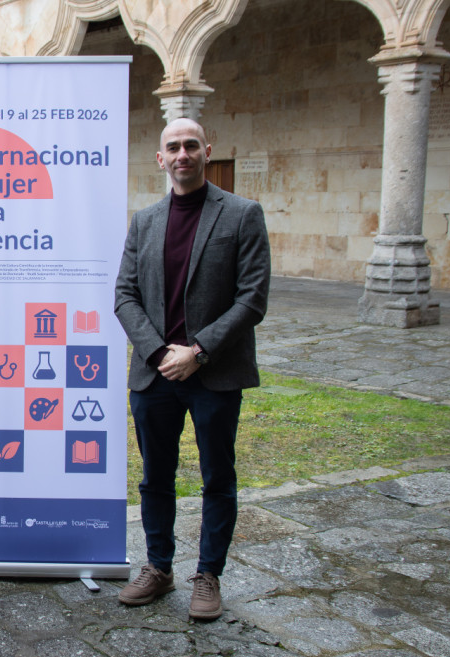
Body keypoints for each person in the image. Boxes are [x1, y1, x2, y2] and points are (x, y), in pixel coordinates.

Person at [113, 118, 271, 621]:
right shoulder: (145, 220)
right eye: (172, 147)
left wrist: (197, 352)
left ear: (207, 150)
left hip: (214, 374)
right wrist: (160, 353)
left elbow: (253, 298)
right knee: (155, 477)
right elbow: (125, 295)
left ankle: (208, 575)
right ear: (160, 159)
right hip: (155, 373)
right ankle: (159, 567)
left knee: (216, 477)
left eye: (190, 145)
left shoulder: (243, 214)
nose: (182, 154)